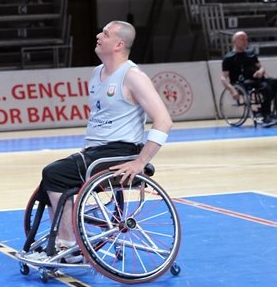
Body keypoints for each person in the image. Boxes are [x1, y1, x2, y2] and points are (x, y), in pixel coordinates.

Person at [26, 20, 174, 258]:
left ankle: (68, 245)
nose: (98, 35)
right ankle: (61, 239)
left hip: (120, 151)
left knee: (54, 173)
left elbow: (164, 121)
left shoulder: (133, 76)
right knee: (50, 179)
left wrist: (140, 162)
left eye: (105, 33)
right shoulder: (97, 73)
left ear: (119, 44)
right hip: (96, 151)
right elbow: (101, 118)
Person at [220, 30, 277, 127]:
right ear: (234, 41)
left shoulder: (250, 54)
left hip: (256, 79)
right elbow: (223, 78)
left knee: (275, 82)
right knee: (265, 87)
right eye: (242, 39)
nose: (245, 41)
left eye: (246, 39)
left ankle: (263, 110)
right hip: (241, 82)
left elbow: (261, 67)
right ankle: (266, 115)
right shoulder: (229, 58)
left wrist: (260, 71)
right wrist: (232, 90)